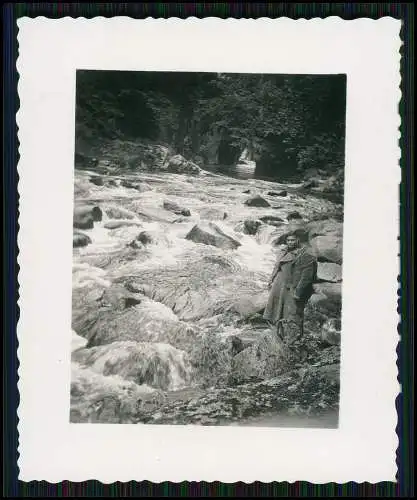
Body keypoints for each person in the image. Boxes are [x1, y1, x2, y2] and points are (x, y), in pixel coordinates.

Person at [263, 233, 317, 348]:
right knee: (277, 310)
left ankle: (295, 341)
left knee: (293, 314)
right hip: (279, 285)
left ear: (298, 240)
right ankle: (280, 337)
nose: (290, 242)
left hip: (293, 287)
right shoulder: (283, 252)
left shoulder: (305, 255)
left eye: (293, 240)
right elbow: (276, 267)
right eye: (288, 240)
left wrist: (298, 292)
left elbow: (306, 277)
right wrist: (271, 279)